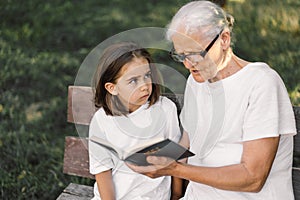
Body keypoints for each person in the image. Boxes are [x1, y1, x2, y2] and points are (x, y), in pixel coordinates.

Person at [127, 1, 297, 199]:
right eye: (181, 56)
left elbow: (253, 178)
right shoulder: (196, 81)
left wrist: (175, 170)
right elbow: (188, 140)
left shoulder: (261, 83)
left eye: (195, 54)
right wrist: (150, 156)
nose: (188, 65)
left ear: (224, 39)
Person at [88, 42, 182, 200]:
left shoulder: (165, 109)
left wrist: (177, 195)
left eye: (147, 75)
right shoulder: (102, 120)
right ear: (112, 88)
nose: (145, 86)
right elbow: (102, 171)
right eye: (133, 81)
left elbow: (175, 156)